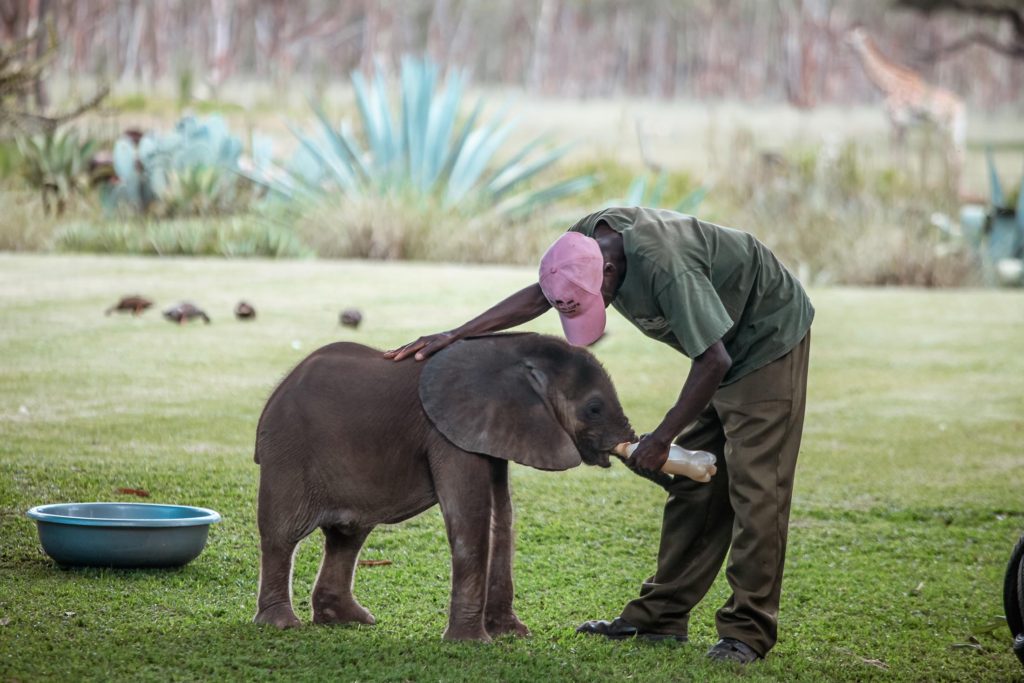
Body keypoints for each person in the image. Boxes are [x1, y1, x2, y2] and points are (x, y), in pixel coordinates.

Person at [385, 207, 813, 664]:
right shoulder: (580, 247)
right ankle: (661, 616)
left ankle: (747, 631)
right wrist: (457, 333)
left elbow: (714, 361)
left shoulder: (668, 269)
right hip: (721, 346)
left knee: (755, 488)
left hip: (765, 335)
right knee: (696, 483)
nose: (601, 306)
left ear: (608, 269)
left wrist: (662, 437)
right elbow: (541, 295)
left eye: (600, 297)